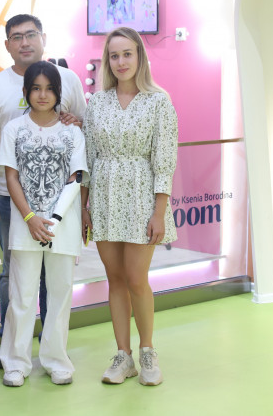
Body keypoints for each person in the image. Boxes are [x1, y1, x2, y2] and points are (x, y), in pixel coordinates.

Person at [0, 14, 86, 368]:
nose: (25, 42)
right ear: (7, 44)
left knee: (56, 280)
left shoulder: (69, 78)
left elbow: (83, 130)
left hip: (61, 204)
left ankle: (51, 351)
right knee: (15, 276)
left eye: (31, 34)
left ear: (43, 38)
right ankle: (12, 351)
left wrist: (79, 207)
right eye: (17, 37)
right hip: (13, 200)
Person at [81, 26, 178, 386]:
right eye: (114, 55)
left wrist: (159, 211)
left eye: (127, 54)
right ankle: (123, 356)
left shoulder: (159, 101)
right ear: (107, 61)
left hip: (142, 198)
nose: (121, 62)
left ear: (140, 56)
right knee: (115, 279)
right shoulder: (97, 103)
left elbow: (165, 160)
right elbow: (88, 157)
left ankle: (148, 351)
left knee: (137, 279)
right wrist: (84, 206)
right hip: (104, 196)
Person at [0, 61, 87, 387]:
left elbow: (77, 177)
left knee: (60, 295)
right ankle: (15, 362)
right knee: (21, 296)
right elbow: (11, 177)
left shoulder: (72, 131)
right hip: (26, 225)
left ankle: (56, 360)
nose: (43, 94)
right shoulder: (13, 129)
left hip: (63, 226)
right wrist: (30, 218)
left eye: (49, 88)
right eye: (36, 88)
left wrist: (55, 219)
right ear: (26, 92)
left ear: (58, 92)